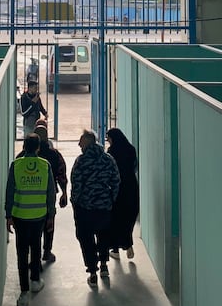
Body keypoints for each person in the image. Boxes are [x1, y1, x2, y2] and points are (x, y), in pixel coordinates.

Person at [5, 134, 56, 306]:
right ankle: (35, 280)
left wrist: (8, 215)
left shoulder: (16, 165)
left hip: (20, 215)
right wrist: (51, 215)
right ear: (38, 148)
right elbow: (51, 193)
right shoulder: (44, 165)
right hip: (39, 215)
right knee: (36, 248)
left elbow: (10, 191)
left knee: (21, 253)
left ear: (24, 146)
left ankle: (24, 292)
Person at [70, 128, 120, 286]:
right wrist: (111, 199)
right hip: (104, 207)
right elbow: (116, 180)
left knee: (86, 239)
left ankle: (92, 271)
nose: (78, 144)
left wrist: (75, 201)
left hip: (86, 208)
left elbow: (76, 184)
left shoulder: (81, 161)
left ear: (88, 142)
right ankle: (104, 265)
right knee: (104, 235)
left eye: (81, 141)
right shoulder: (108, 159)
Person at [20, 122, 67, 262]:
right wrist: (64, 192)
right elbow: (61, 173)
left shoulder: (21, 157)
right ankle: (47, 251)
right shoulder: (54, 155)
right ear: (46, 138)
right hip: (48, 195)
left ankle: (33, 255)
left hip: (27, 197)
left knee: (30, 226)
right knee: (49, 223)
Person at [105, 127, 139, 260]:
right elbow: (134, 166)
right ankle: (128, 244)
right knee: (129, 217)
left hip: (117, 188)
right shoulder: (131, 149)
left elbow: (110, 171)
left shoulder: (111, 152)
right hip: (131, 186)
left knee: (116, 218)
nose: (107, 140)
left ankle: (115, 249)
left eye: (109, 138)